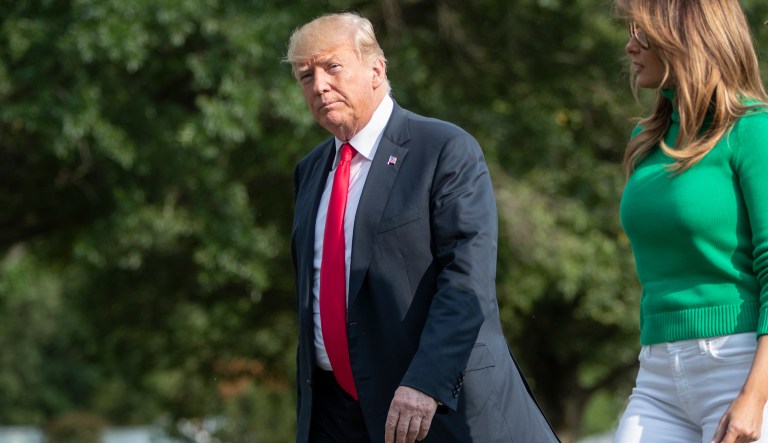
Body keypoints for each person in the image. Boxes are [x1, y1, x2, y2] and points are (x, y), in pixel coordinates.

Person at [285, 11, 559, 443]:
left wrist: (426, 382)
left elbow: (466, 279)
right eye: (305, 75)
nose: (319, 85)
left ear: (376, 69)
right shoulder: (310, 171)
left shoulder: (443, 149)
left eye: (332, 66)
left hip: (433, 408)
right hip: (336, 416)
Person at [612, 1, 768, 442]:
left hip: (739, 367)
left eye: (640, 34)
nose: (629, 46)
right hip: (658, 373)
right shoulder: (647, 142)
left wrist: (755, 398)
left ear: (683, 37)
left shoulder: (752, 129)